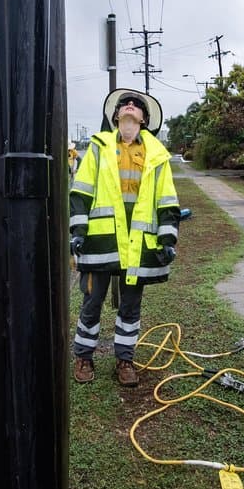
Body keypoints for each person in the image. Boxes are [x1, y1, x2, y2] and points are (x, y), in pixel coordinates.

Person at [69, 88, 180, 387]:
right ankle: (84, 357)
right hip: (101, 243)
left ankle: (125, 360)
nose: (130, 107)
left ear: (143, 119)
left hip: (138, 246)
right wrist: (77, 232)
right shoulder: (97, 147)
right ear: (116, 116)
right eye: (124, 105)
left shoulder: (157, 155)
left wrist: (168, 239)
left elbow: (167, 201)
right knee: (92, 302)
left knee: (131, 306)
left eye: (136, 106)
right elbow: (80, 192)